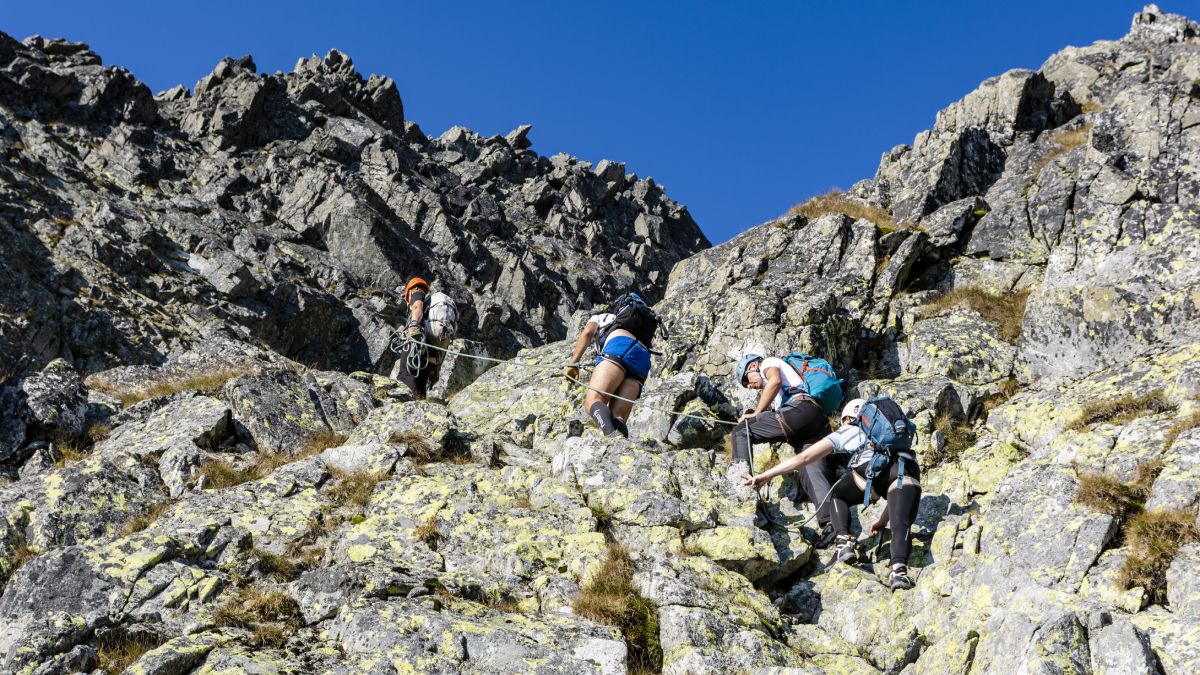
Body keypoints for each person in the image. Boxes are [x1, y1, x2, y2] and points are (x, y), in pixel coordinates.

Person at [741, 398, 922, 591]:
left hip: (872, 470)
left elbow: (804, 457)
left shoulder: (851, 429)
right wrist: (882, 521)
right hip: (908, 469)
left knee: (838, 495)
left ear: (851, 418)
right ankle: (899, 572)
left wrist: (766, 475)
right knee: (901, 524)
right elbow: (894, 490)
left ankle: (844, 541)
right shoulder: (895, 437)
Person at [732, 352, 839, 547]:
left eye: (746, 380)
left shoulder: (768, 363)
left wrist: (756, 413)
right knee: (810, 469)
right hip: (815, 420)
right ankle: (831, 524)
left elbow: (774, 381)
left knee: (741, 431)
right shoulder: (782, 393)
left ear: (753, 366)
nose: (749, 386)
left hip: (799, 411)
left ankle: (739, 484)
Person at [565, 293, 657, 438]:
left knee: (594, 400)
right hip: (642, 357)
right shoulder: (638, 326)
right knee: (618, 416)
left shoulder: (603, 317)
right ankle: (620, 444)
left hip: (619, 348)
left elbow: (588, 332)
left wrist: (573, 363)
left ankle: (611, 436)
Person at [391, 277, 443, 399]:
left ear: (409, 290)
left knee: (405, 374)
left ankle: (408, 403)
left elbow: (417, 307)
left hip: (417, 342)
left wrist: (414, 324)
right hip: (431, 352)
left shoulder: (417, 292)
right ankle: (420, 405)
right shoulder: (430, 307)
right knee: (420, 384)